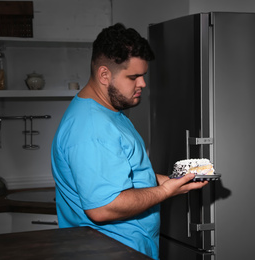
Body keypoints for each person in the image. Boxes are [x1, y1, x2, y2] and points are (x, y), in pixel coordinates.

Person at [51, 23, 208, 259]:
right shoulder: (92, 128)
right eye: (133, 77)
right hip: (108, 252)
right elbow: (103, 208)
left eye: (143, 75)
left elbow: (126, 176)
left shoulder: (110, 112)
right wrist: (165, 191)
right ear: (104, 75)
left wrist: (177, 181)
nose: (142, 84)